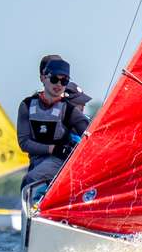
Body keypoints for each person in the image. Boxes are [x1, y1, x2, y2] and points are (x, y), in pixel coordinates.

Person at [17, 57, 90, 192]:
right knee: (30, 182)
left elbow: (92, 136)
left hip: (59, 161)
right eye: (54, 79)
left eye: (64, 81)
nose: (59, 84)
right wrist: (52, 148)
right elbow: (24, 143)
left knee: (31, 180)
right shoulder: (26, 105)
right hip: (37, 161)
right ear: (43, 78)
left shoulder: (69, 110)